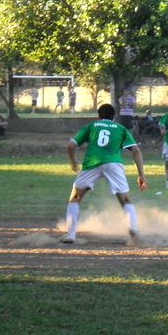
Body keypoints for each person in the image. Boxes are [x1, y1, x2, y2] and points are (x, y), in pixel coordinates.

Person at [59, 104, 147, 244]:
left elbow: (71, 145)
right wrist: (141, 175)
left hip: (91, 163)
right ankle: (133, 226)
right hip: (114, 163)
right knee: (125, 200)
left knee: (75, 198)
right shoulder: (121, 128)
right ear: (114, 117)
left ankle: (70, 233)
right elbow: (136, 151)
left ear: (98, 116)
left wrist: (73, 161)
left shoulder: (92, 126)